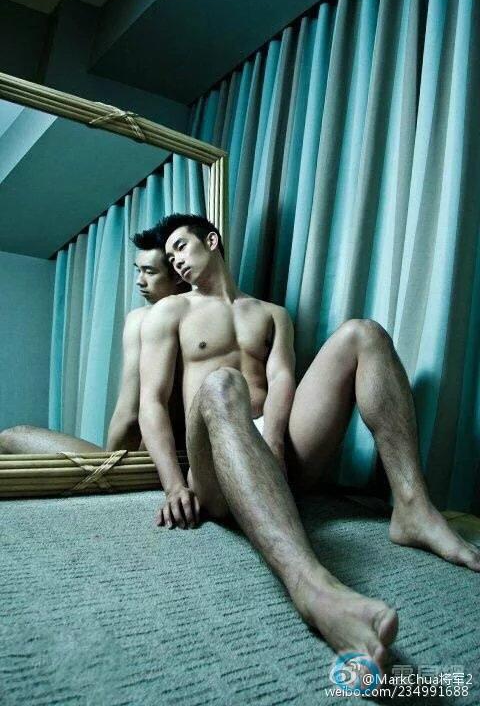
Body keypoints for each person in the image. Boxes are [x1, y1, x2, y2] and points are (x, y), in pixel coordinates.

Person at [139, 213, 480, 671]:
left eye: (180, 246)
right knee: (223, 382)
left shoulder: (272, 314)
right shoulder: (170, 312)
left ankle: (412, 506)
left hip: (279, 447)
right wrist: (174, 485)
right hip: (218, 457)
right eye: (169, 256)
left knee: (365, 333)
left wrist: (276, 441)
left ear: (212, 240)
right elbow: (151, 402)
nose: (175, 260)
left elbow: (282, 378)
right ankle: (313, 588)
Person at [0, 244, 188, 455]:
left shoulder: (143, 318)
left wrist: (107, 468)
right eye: (138, 270)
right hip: (184, 457)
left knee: (10, 437)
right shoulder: (204, 315)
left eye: (150, 272)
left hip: (148, 460)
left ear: (177, 276)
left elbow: (130, 415)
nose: (139, 280)